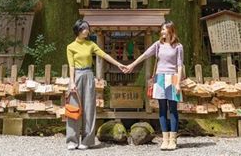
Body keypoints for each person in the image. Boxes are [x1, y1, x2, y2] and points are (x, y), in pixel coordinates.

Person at [66, 19, 126, 150]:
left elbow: (103, 55)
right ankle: (72, 140)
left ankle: (87, 141)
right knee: (73, 108)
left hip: (88, 75)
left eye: (87, 28)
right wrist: (71, 82)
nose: (87, 30)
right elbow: (71, 66)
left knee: (89, 108)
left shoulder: (91, 44)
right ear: (78, 30)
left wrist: (119, 64)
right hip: (76, 76)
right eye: (84, 28)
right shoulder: (70, 47)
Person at [123, 20, 183, 150]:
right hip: (160, 78)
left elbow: (179, 65)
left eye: (164, 29)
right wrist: (132, 65)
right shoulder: (158, 45)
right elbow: (145, 55)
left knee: (173, 109)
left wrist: (178, 83)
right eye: (161, 29)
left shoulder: (178, 46)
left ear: (171, 30)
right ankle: (165, 139)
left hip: (172, 77)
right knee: (162, 109)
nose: (162, 32)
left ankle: (173, 140)